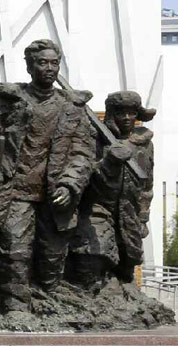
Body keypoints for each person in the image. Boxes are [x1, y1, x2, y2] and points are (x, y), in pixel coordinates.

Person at [0, 38, 95, 309]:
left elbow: (83, 152)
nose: (49, 68)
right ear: (29, 66)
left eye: (54, 63)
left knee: (51, 258)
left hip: (55, 195)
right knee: (15, 251)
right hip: (15, 191)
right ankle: (16, 309)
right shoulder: (7, 100)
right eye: (42, 62)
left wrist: (70, 185)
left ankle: (48, 305)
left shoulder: (71, 107)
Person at [69, 91, 156, 285]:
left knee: (129, 258)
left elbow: (147, 185)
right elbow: (87, 178)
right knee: (92, 251)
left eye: (131, 113)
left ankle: (125, 295)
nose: (126, 118)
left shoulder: (145, 145)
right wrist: (108, 162)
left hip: (129, 210)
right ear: (111, 114)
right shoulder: (97, 140)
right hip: (99, 208)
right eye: (121, 113)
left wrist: (143, 216)